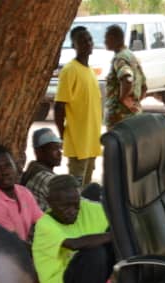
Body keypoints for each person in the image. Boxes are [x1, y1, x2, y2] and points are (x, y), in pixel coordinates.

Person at [32, 175, 114, 283]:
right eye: (65, 206)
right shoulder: (44, 225)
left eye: (76, 205)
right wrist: (114, 235)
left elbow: (116, 218)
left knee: (112, 245)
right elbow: (74, 244)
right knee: (94, 253)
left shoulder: (85, 209)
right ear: (49, 202)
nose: (72, 211)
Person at [55, 26, 103, 187]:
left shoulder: (89, 71)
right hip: (78, 143)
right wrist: (63, 135)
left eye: (89, 39)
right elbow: (59, 106)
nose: (88, 43)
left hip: (91, 142)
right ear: (74, 45)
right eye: (82, 41)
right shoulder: (70, 70)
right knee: (76, 190)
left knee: (86, 190)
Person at [0, 145, 43, 243]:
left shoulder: (24, 192)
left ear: (15, 166)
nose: (5, 172)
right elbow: (15, 244)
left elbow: (44, 223)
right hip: (1, 255)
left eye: (8, 165)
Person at [104, 24, 147, 129]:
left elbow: (127, 78)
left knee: (117, 145)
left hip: (120, 117)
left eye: (107, 39)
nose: (105, 42)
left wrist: (123, 99)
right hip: (134, 115)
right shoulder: (131, 56)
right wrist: (134, 103)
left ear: (114, 39)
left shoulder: (120, 59)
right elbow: (144, 87)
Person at [21, 129, 62, 212]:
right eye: (54, 148)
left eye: (59, 148)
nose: (60, 153)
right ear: (39, 152)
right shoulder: (45, 177)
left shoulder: (33, 169)